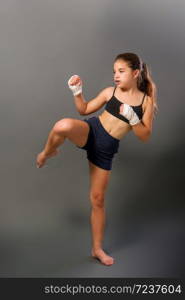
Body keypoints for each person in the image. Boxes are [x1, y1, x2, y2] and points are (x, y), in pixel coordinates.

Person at [36, 52, 158, 266]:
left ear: (135, 73)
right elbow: (83, 110)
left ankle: (97, 249)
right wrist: (77, 91)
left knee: (98, 200)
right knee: (62, 126)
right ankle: (47, 152)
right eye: (114, 72)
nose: (116, 76)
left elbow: (144, 136)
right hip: (92, 131)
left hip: (106, 148)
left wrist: (132, 118)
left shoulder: (145, 101)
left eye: (121, 71)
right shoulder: (109, 92)